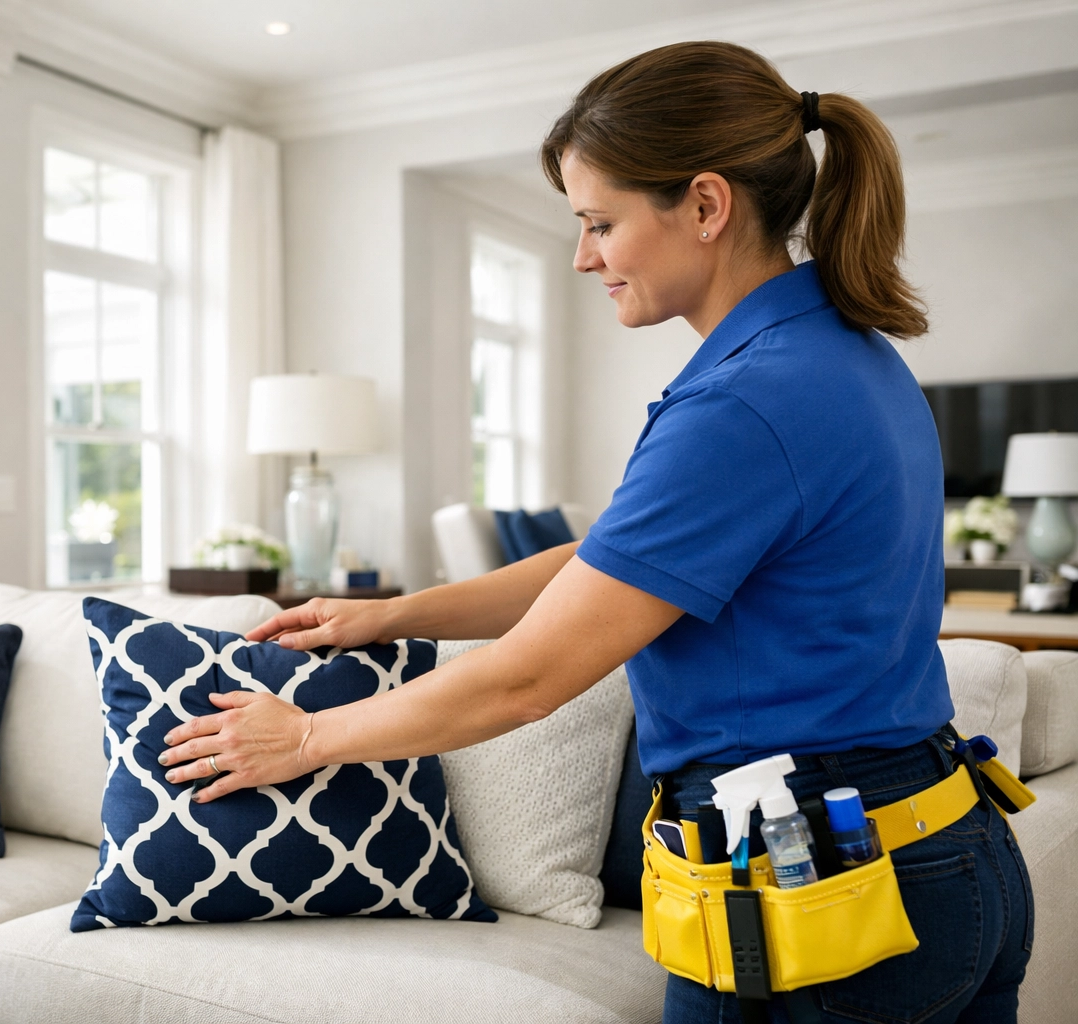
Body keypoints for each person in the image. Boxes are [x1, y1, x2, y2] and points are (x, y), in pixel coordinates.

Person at [158, 41, 1033, 1024]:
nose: (584, 257)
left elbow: (528, 680)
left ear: (706, 206)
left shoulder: (741, 406)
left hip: (824, 904)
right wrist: (395, 612)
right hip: (941, 852)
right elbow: (604, 564)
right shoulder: (843, 355)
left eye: (600, 223)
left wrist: (309, 736)